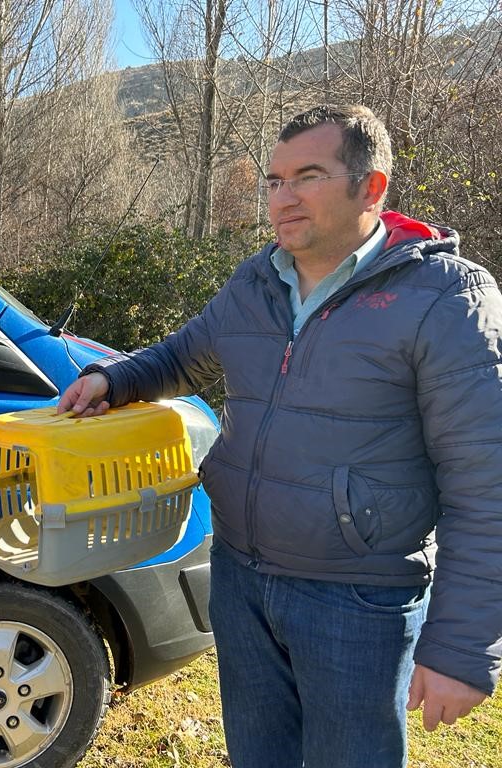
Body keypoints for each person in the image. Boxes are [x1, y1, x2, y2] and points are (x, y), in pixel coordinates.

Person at [58, 105, 501, 767]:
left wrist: (462, 648)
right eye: (273, 180)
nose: (282, 197)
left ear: (371, 187)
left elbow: (484, 482)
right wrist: (112, 380)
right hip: (241, 578)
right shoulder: (256, 282)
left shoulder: (444, 299)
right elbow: (183, 356)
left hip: (358, 598)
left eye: (307, 176)